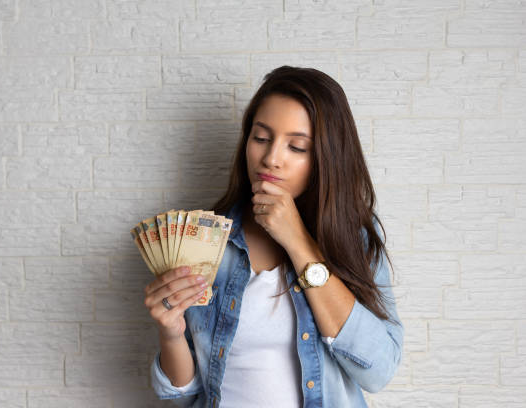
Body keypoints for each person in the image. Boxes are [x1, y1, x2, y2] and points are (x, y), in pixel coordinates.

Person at [143, 66, 404, 407]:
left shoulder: (354, 238)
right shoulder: (202, 240)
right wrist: (171, 333)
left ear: (326, 158)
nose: (270, 159)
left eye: (296, 147)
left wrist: (297, 242)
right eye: (261, 138)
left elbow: (379, 370)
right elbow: (185, 395)